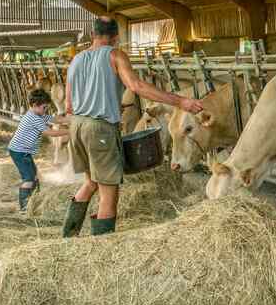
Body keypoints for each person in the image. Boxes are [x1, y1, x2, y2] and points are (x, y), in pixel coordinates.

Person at [62, 17, 204, 237]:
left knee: (90, 183)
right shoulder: (115, 55)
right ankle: (103, 246)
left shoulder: (76, 60)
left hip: (77, 127)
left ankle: (68, 236)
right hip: (99, 129)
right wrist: (181, 101)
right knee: (109, 193)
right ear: (116, 37)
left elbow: (69, 105)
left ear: (93, 35)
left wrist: (102, 102)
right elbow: (136, 86)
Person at [8, 88, 70, 211]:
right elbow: (50, 132)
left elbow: (55, 119)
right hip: (19, 152)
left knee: (35, 176)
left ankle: (35, 201)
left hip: (23, 151)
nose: (45, 110)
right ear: (35, 105)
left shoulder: (38, 114)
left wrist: (74, 120)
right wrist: (71, 131)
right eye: (44, 108)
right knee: (29, 179)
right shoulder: (34, 118)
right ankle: (25, 209)